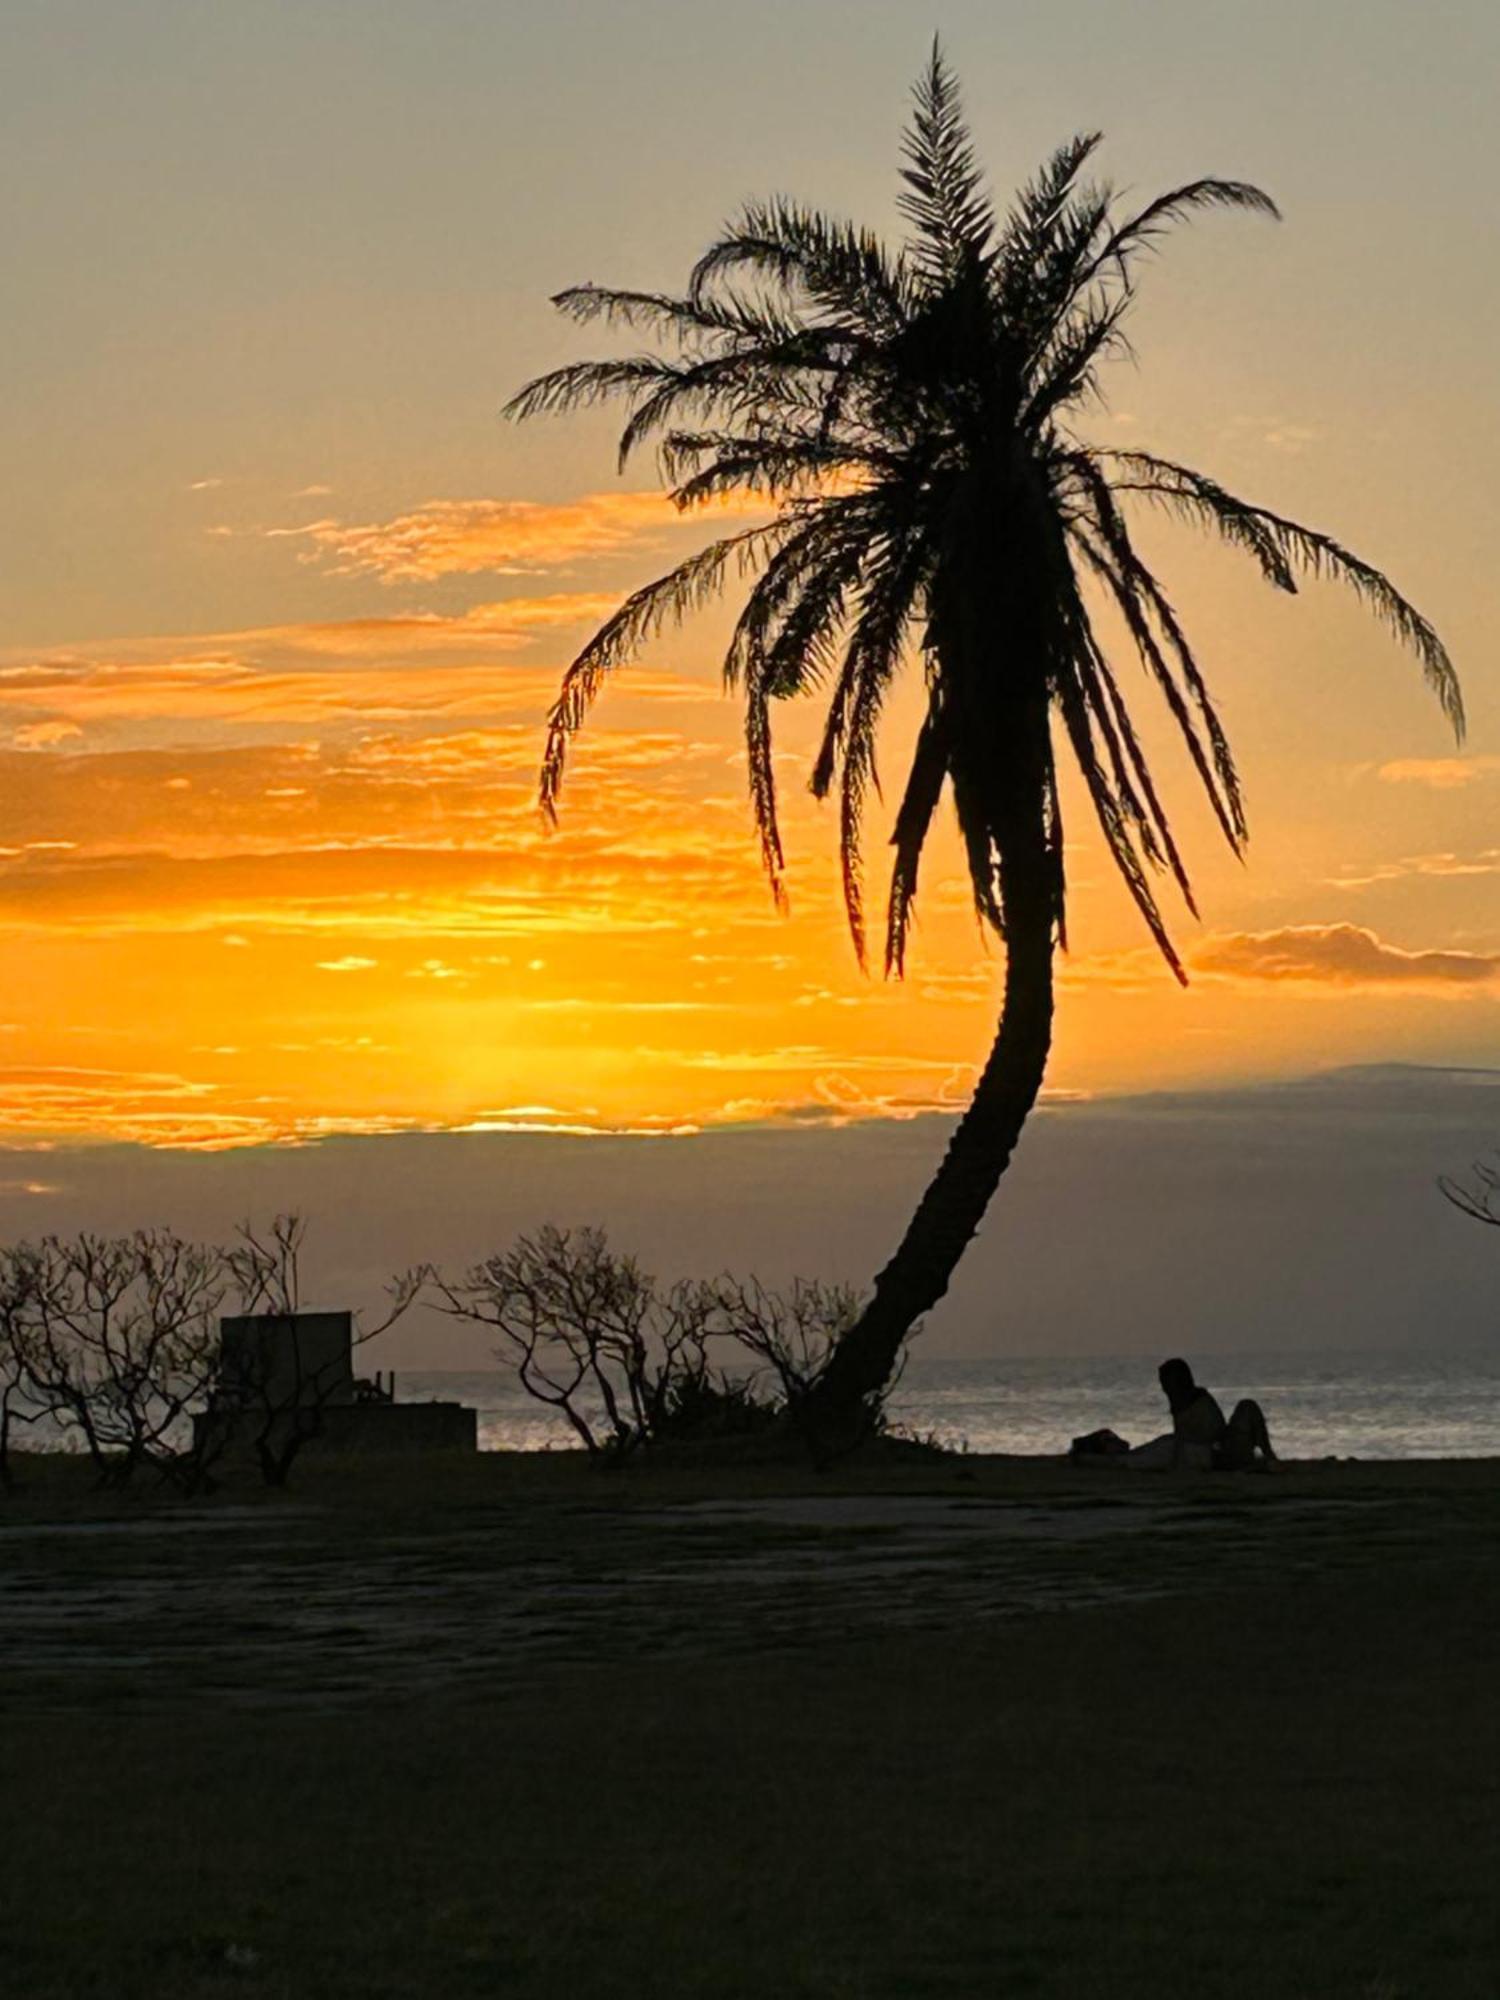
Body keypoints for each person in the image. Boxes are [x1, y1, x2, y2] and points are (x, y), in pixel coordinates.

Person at [1072, 1358, 1276, 1470]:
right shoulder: (1156, 1452)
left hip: (1222, 1449)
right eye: (1109, 1440)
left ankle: (1269, 1457)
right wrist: (1082, 1458)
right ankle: (1266, 1460)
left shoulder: (1194, 1406)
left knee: (1247, 1406)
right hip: (1220, 1455)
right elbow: (1117, 1462)